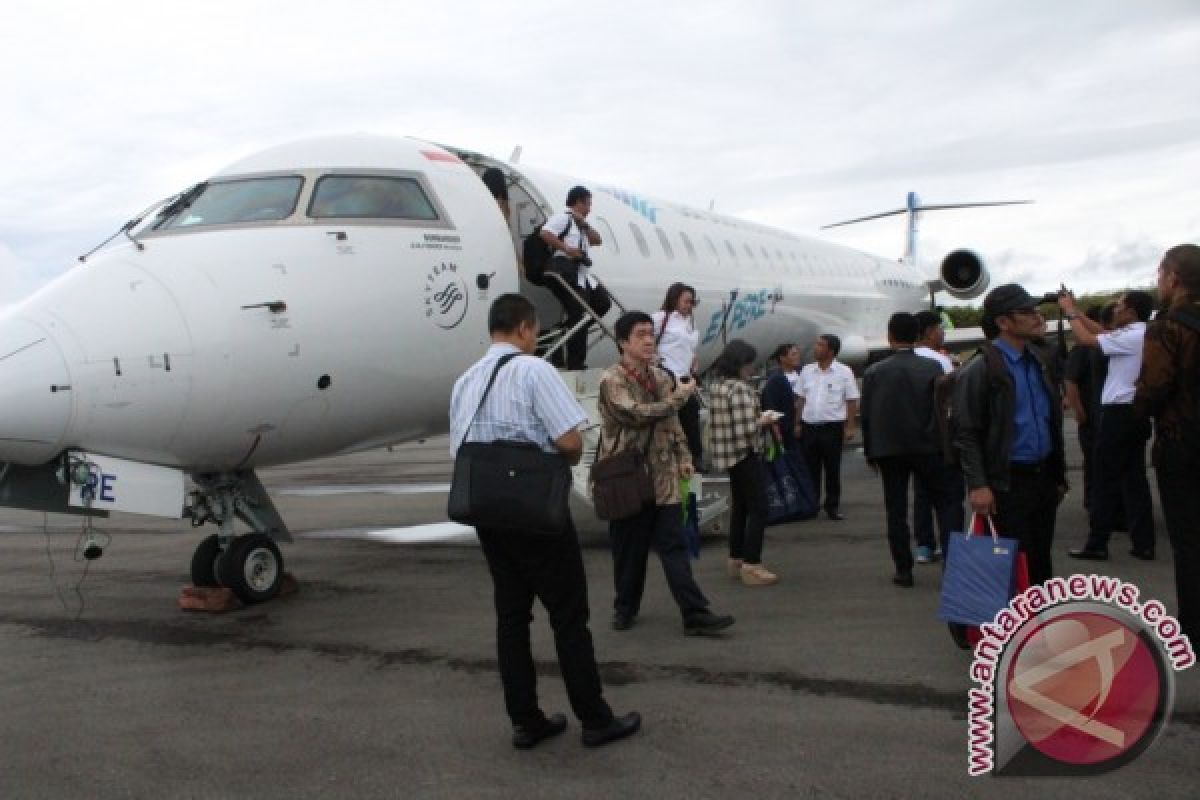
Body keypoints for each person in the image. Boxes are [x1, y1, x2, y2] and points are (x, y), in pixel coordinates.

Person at [449, 294, 639, 750]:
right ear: (526, 329)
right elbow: (570, 440)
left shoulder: (466, 380)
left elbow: (460, 450)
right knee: (569, 616)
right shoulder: (535, 370)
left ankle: (526, 720)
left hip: (489, 515)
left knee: (511, 618)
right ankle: (594, 718)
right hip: (536, 513)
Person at [597, 311, 736, 636]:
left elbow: (671, 424)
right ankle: (625, 607)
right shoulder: (612, 381)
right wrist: (679, 398)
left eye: (650, 334)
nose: (648, 340)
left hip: (663, 477)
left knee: (673, 546)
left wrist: (684, 456)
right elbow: (636, 415)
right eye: (640, 335)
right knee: (629, 552)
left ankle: (695, 613)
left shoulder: (661, 378)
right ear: (622, 343)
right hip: (627, 478)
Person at [954, 285, 1067, 587]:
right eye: (1027, 312)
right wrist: (978, 484)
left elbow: (1049, 419)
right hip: (1008, 482)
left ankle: (1040, 627)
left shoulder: (1039, 360)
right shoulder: (980, 369)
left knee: (1041, 560)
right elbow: (966, 432)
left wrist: (1057, 475)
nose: (1036, 316)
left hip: (1043, 477)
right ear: (1004, 322)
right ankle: (1012, 631)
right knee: (1012, 563)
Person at [1060, 289, 1156, 560]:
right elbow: (1102, 332)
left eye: (1120, 307)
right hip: (1135, 414)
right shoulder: (1139, 333)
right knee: (1134, 479)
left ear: (1132, 312)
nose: (1115, 310)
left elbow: (1087, 338)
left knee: (1103, 478)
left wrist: (1068, 312)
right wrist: (1077, 310)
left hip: (1119, 414)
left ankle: (1097, 542)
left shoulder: (1133, 335)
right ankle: (1143, 542)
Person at [1135, 244, 1200, 639]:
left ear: (1173, 277)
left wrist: (1137, 411)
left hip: (1183, 441)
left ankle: (1193, 626)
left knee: (1189, 539)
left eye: (1161, 274)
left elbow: (1155, 386)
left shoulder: (1167, 327)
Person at [861, 313, 946, 588]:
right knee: (942, 504)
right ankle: (950, 564)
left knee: (895, 510)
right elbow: (940, 411)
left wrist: (871, 450)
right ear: (918, 336)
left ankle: (903, 568)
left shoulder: (874, 372)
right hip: (926, 446)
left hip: (889, 449)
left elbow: (867, 415)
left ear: (890, 336)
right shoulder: (932, 367)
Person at [708, 339, 780, 586]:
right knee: (759, 508)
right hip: (745, 454)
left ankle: (736, 557)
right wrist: (765, 420)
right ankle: (752, 563)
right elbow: (745, 430)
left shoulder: (719, 387)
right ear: (739, 363)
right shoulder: (739, 389)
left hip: (728, 455)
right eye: (749, 363)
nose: (752, 367)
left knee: (740, 506)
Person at [912, 310, 965, 564]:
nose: (943, 333)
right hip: (940, 440)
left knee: (922, 495)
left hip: (914, 441)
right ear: (930, 331)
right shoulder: (939, 361)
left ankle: (924, 545)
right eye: (940, 329)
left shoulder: (904, 359)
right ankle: (951, 547)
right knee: (949, 498)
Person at [541, 186, 611, 370]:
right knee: (578, 313)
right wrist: (567, 249)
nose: (589, 209)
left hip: (581, 274)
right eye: (588, 204)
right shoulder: (563, 218)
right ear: (578, 202)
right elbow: (545, 233)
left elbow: (597, 240)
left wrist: (584, 224)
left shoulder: (581, 226)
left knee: (603, 303)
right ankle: (575, 361)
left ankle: (563, 331)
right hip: (566, 270)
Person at [796, 333, 860, 520]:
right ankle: (811, 504)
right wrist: (797, 423)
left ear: (831, 351)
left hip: (831, 427)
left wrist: (850, 427)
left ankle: (832, 505)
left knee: (832, 468)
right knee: (810, 468)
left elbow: (851, 400)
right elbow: (800, 399)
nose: (816, 348)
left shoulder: (844, 371)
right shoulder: (807, 370)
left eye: (820, 345)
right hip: (809, 427)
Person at [651, 282, 703, 466]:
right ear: (675, 300)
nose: (690, 306)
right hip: (667, 375)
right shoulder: (661, 318)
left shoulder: (689, 323)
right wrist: (654, 358)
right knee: (673, 415)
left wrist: (694, 358)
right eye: (686, 301)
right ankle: (675, 457)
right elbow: (646, 338)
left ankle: (694, 457)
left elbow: (688, 346)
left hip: (685, 377)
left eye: (692, 302)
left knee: (691, 415)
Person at [761, 343, 802, 453]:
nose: (797, 356)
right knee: (786, 462)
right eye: (793, 354)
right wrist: (776, 431)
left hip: (803, 427)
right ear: (782, 358)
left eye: (798, 353)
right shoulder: (774, 379)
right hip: (785, 428)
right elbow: (769, 406)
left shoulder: (803, 373)